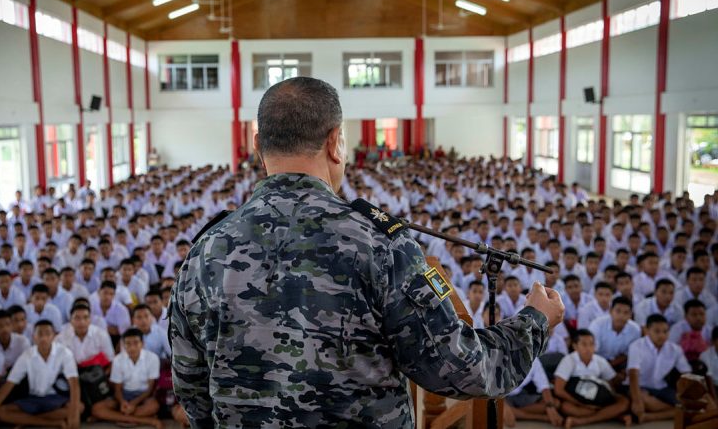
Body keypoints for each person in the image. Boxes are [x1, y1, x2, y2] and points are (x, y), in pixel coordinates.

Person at [170, 77, 564, 427]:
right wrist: (533, 323)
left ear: (257, 146)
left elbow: (191, 387)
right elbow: (460, 370)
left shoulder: (205, 250)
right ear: (335, 143)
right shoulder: (381, 243)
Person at [0, 320, 83, 429]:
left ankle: (26, 421)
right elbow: (8, 384)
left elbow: (74, 383)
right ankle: (52, 423)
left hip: (55, 398)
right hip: (33, 398)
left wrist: (74, 415)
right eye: (40, 334)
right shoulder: (27, 355)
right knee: (1, 412)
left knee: (80, 407)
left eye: (48, 333)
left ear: (54, 336)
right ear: (33, 337)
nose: (44, 338)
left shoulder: (64, 353)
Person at [553, 329, 630, 427]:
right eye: (584, 344)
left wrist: (621, 377)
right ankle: (613, 416)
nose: (588, 348)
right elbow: (558, 390)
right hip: (577, 400)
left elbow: (612, 383)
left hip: (597, 399)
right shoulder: (569, 360)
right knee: (566, 408)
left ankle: (582, 421)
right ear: (575, 346)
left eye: (591, 344)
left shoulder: (600, 361)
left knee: (624, 402)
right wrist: (582, 404)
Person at [91, 328, 162, 428]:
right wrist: (122, 402)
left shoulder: (153, 358)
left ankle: (118, 417)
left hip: (143, 396)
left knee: (153, 406)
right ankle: (147, 420)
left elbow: (150, 389)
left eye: (136, 343)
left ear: (142, 343)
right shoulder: (118, 359)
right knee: (96, 409)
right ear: (123, 345)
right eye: (128, 344)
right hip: (124, 395)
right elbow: (117, 389)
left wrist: (133, 403)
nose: (132, 347)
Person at [628, 314, 692, 423]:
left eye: (665, 331)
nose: (662, 335)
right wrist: (637, 400)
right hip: (640, 387)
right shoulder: (636, 346)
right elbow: (633, 374)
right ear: (647, 331)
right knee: (643, 401)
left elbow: (686, 373)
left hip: (661, 387)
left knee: (692, 403)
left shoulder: (674, 349)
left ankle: (649, 417)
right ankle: (678, 412)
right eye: (657, 331)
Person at [588, 296, 641, 377]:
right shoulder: (597, 325)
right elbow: (591, 351)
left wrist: (611, 365)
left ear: (631, 315)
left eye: (626, 312)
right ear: (610, 311)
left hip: (619, 362)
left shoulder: (635, 330)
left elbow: (629, 354)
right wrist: (605, 367)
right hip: (596, 360)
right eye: (618, 311)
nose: (621, 316)